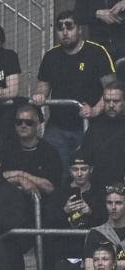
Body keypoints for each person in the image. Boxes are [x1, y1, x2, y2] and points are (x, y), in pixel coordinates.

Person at [32, 10, 116, 171]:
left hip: (90, 127)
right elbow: (43, 86)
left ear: (79, 30)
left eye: (69, 26)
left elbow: (111, 90)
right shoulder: (50, 56)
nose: (64, 31)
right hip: (57, 127)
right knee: (54, 170)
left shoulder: (97, 52)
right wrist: (39, 95)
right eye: (60, 27)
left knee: (89, 171)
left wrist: (94, 111)